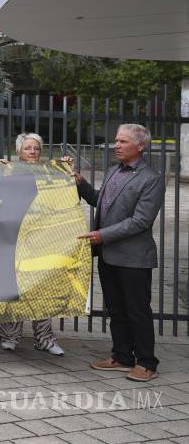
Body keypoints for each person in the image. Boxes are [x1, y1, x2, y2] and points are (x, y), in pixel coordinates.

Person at [75, 123, 163, 382]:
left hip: (134, 258)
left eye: (123, 141)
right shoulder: (114, 170)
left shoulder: (151, 178)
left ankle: (146, 362)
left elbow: (141, 221)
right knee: (116, 309)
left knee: (137, 311)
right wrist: (81, 184)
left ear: (140, 146)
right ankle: (123, 356)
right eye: (116, 140)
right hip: (108, 254)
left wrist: (102, 235)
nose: (117, 145)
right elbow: (101, 201)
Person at [0, 133, 65, 356]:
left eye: (36, 148)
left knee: (42, 288)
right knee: (14, 288)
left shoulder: (50, 173)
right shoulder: (8, 171)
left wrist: (68, 171)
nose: (33, 152)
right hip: (16, 237)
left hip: (43, 239)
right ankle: (9, 336)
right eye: (28, 148)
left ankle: (44, 338)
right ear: (18, 152)